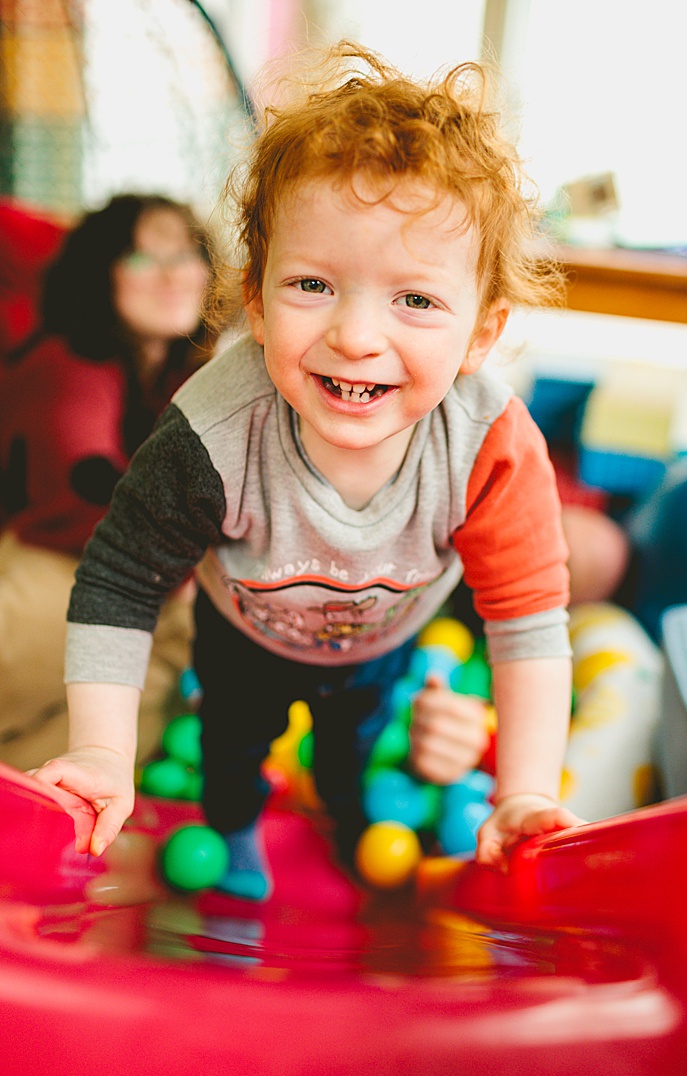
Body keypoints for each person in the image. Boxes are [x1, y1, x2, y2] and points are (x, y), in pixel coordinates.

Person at [31, 44, 579, 898]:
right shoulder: (212, 430)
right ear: (254, 298)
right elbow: (120, 580)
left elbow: (529, 619)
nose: (357, 335)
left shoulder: (490, 444)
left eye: (416, 299)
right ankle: (236, 824)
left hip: (382, 643)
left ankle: (352, 812)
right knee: (232, 746)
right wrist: (103, 749)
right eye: (313, 284)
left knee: (357, 747)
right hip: (243, 635)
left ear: (482, 332)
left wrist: (527, 791)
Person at [0, 195, 213, 772]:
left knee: (155, 683)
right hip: (52, 563)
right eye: (144, 258)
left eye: (185, 253)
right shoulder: (66, 364)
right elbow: (83, 493)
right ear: (103, 274)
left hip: (148, 578)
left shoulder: (185, 371)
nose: (172, 274)